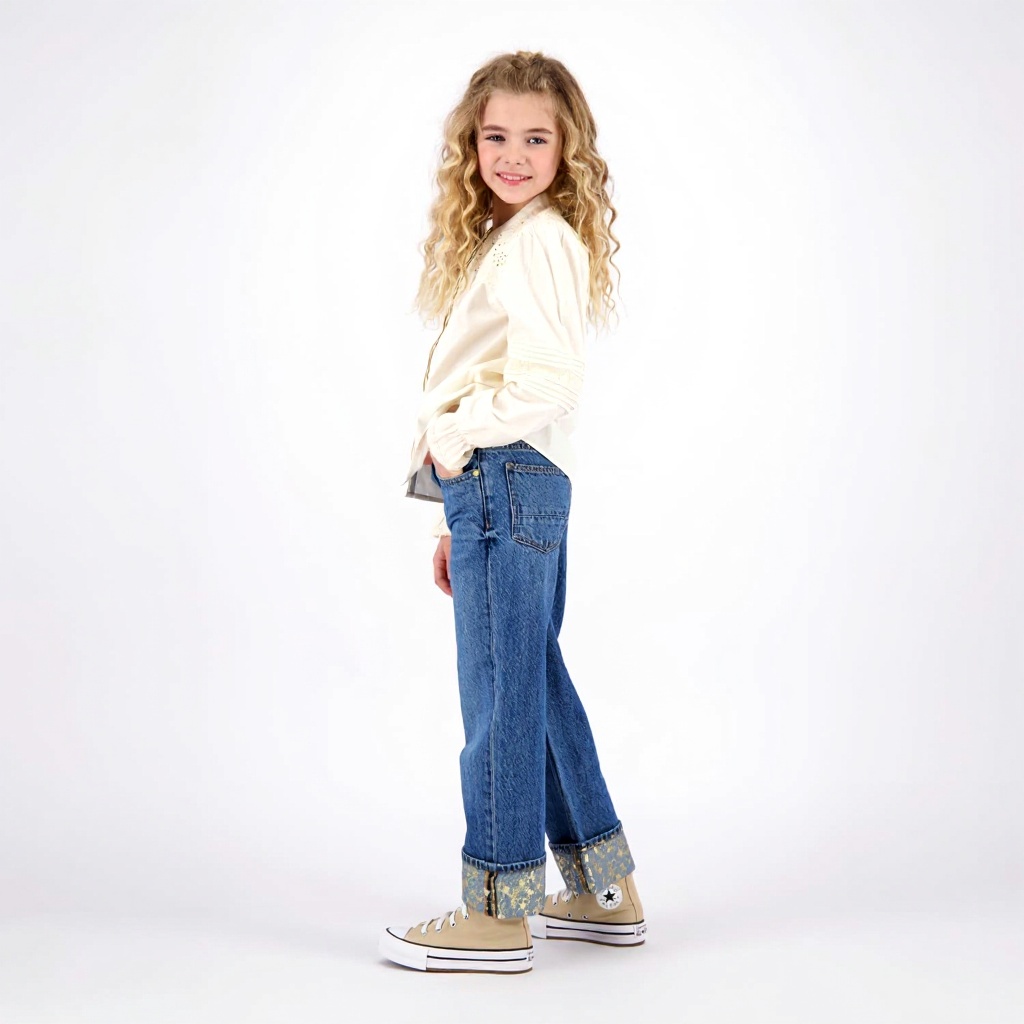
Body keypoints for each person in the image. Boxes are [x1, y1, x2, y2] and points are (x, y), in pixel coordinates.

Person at [379, 50, 645, 975]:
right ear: (472, 143)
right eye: (496, 136)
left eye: (537, 138)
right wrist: (448, 515)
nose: (513, 155)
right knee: (530, 678)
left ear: (568, 148)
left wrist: (455, 444)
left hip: (502, 474)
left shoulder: (535, 241)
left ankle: (496, 911)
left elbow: (543, 385)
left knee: (499, 688)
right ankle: (605, 890)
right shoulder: (519, 239)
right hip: (507, 485)